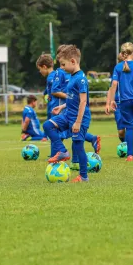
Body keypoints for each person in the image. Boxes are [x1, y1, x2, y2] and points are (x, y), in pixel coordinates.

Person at [42, 45, 91, 183]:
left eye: (63, 64)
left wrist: (78, 122)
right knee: (48, 126)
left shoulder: (81, 79)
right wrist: (62, 106)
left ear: (73, 61)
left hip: (78, 117)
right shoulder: (72, 77)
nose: (62, 67)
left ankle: (83, 176)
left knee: (78, 145)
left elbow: (83, 102)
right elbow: (71, 98)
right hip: (68, 113)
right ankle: (62, 150)